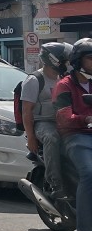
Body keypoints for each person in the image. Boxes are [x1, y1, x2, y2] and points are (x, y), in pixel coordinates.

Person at [53, 38, 92, 231]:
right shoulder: (64, 85)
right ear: (78, 60)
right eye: (90, 58)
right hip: (75, 137)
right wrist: (86, 120)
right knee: (89, 174)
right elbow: (64, 118)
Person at [20, 42, 72, 199]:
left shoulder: (64, 78)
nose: (67, 64)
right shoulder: (34, 80)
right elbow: (26, 111)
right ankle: (55, 183)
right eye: (65, 60)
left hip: (64, 121)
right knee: (51, 137)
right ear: (54, 60)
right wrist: (31, 138)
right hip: (43, 123)